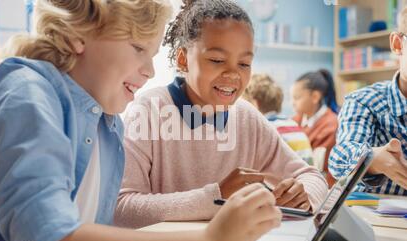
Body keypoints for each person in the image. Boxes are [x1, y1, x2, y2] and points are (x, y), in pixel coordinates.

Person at [0, 0, 282, 241]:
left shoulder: (106, 125)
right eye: (139, 48)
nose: (150, 71)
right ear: (77, 36)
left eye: (153, 54)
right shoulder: (24, 93)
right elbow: (47, 240)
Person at [114, 0, 328, 229]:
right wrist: (216, 196)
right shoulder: (149, 111)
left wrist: (302, 194)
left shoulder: (246, 117)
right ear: (183, 59)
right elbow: (122, 209)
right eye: (216, 60)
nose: (233, 74)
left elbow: (314, 178)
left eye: (244, 64)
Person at [329, 8, 407, 196]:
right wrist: (372, 158)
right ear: (398, 44)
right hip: (376, 221)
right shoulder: (365, 102)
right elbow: (340, 158)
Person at [243, 73, 314, 166]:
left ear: (254, 104)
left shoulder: (264, 130)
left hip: (290, 179)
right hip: (306, 177)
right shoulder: (292, 124)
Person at [291, 69, 339, 187]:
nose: (293, 103)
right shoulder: (294, 121)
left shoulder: (331, 126)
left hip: (319, 186)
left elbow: (318, 167)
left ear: (315, 96)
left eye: (297, 98)